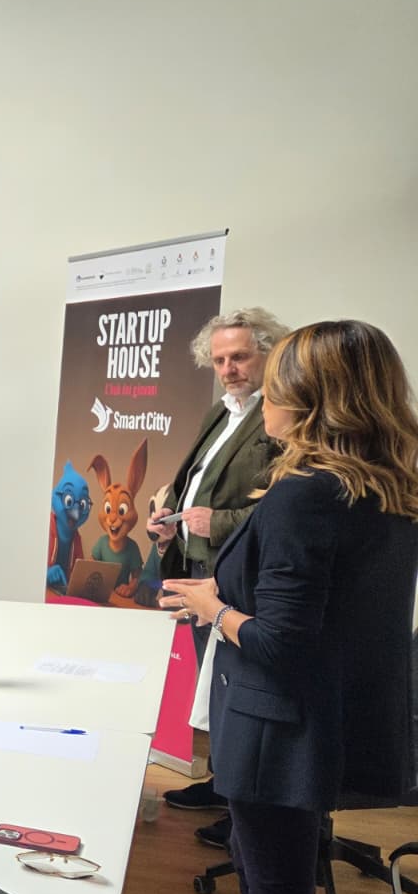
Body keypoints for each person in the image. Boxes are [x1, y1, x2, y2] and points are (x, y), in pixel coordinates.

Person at [154, 321, 418, 894]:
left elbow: (279, 641)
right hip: (331, 723)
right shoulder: (390, 488)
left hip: (276, 730)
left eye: (272, 387)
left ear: (306, 402)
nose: (259, 399)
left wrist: (213, 606)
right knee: (272, 879)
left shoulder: (307, 494)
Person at [147, 307, 290, 824]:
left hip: (241, 577)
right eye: (219, 360)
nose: (229, 369)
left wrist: (219, 522)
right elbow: (194, 482)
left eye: (240, 357)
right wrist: (169, 518)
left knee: (239, 692)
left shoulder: (282, 414)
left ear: (268, 354)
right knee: (216, 689)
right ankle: (221, 783)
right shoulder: (220, 412)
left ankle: (241, 805)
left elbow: (285, 505)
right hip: (200, 570)